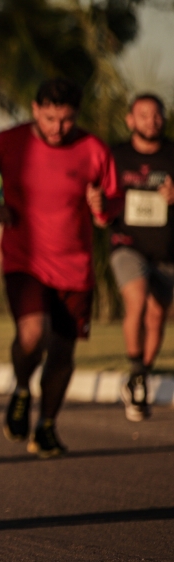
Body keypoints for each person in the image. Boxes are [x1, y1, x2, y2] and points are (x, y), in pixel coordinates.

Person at [0, 78, 117, 458]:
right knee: (33, 334)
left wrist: (101, 206)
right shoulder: (10, 142)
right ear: (35, 110)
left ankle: (47, 425)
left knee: (63, 353)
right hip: (25, 260)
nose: (57, 128)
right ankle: (22, 389)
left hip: (75, 268)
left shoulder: (93, 149)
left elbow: (110, 206)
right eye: (49, 118)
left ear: (77, 115)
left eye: (66, 120)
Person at [108, 94, 174, 422]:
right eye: (143, 115)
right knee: (136, 300)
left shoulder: (172, 154)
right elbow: (101, 195)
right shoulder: (116, 156)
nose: (151, 120)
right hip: (127, 245)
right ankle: (136, 374)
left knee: (157, 315)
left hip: (166, 250)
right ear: (130, 120)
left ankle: (141, 374)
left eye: (156, 114)